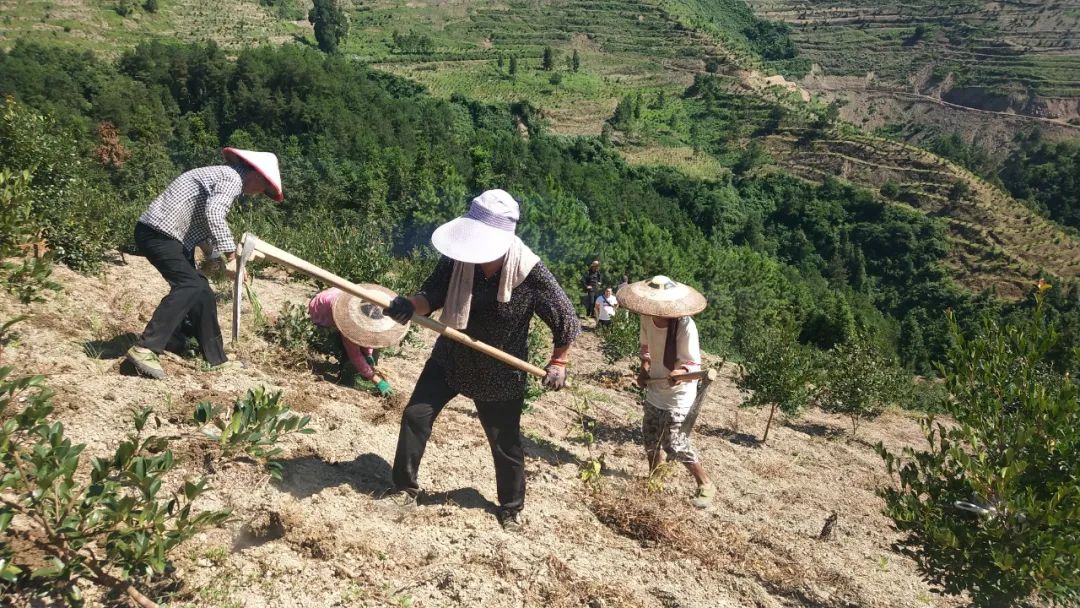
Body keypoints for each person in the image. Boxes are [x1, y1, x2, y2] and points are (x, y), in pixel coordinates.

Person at [381, 189, 580, 531]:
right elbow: (433, 295)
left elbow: (567, 320)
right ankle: (404, 488)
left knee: (505, 443)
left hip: (500, 371)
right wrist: (410, 306)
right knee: (416, 415)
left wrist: (559, 362)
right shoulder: (459, 257)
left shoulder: (530, 273)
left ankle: (511, 507)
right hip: (451, 357)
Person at [126, 148, 283, 379]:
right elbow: (215, 214)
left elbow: (204, 230)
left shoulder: (222, 176)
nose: (259, 193)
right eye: (263, 188)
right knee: (189, 285)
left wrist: (219, 262)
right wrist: (231, 256)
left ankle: (212, 357)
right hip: (159, 233)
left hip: (170, 237)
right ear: (257, 175)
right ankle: (146, 348)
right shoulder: (232, 178)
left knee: (202, 292)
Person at [617, 275, 715, 509]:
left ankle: (705, 483)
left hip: (680, 394)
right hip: (655, 388)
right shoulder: (646, 316)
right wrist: (644, 369)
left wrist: (678, 373)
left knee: (675, 443)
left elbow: (693, 364)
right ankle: (655, 477)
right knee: (650, 438)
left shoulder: (684, 325)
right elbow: (646, 348)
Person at [307, 286, 409, 397]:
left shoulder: (366, 306)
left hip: (334, 297)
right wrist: (377, 381)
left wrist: (369, 354)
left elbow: (365, 334)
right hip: (320, 309)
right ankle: (344, 372)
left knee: (363, 342)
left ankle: (362, 364)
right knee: (346, 347)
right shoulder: (348, 321)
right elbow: (355, 355)